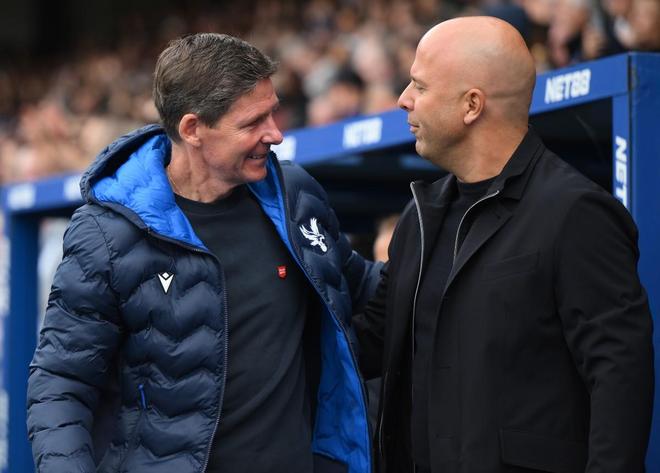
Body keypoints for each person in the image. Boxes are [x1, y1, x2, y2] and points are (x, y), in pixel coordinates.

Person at [27, 33, 380, 473]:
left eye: (273, 112)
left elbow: (360, 286)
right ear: (192, 129)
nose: (275, 134)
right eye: (253, 122)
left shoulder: (295, 196)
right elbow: (62, 381)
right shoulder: (108, 233)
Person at [354, 17, 654, 473]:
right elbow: (369, 341)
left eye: (420, 85)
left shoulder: (575, 213)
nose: (404, 99)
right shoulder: (419, 218)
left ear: (472, 105)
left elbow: (619, 376)